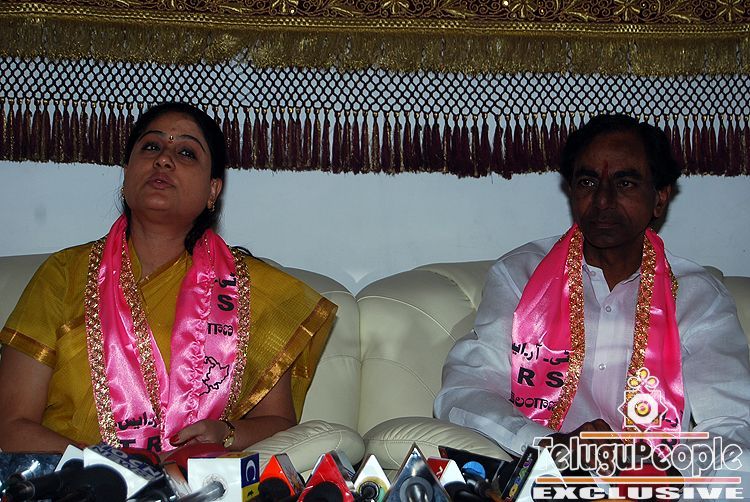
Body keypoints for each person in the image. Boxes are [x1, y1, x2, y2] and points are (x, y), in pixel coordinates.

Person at [0, 102, 337, 453]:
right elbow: (11, 427)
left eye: (186, 153)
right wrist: (108, 467)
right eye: (151, 146)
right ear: (126, 173)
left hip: (194, 478)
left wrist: (226, 433)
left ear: (212, 191)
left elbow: (278, 424)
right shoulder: (64, 274)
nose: (163, 159)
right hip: (69, 475)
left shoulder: (253, 290)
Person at [435, 114, 750, 484]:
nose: (602, 200)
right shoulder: (521, 276)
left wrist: (660, 469)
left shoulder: (697, 296)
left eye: (625, 183)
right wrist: (551, 445)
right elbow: (465, 392)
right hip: (546, 478)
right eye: (587, 182)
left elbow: (733, 424)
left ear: (660, 197)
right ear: (571, 190)